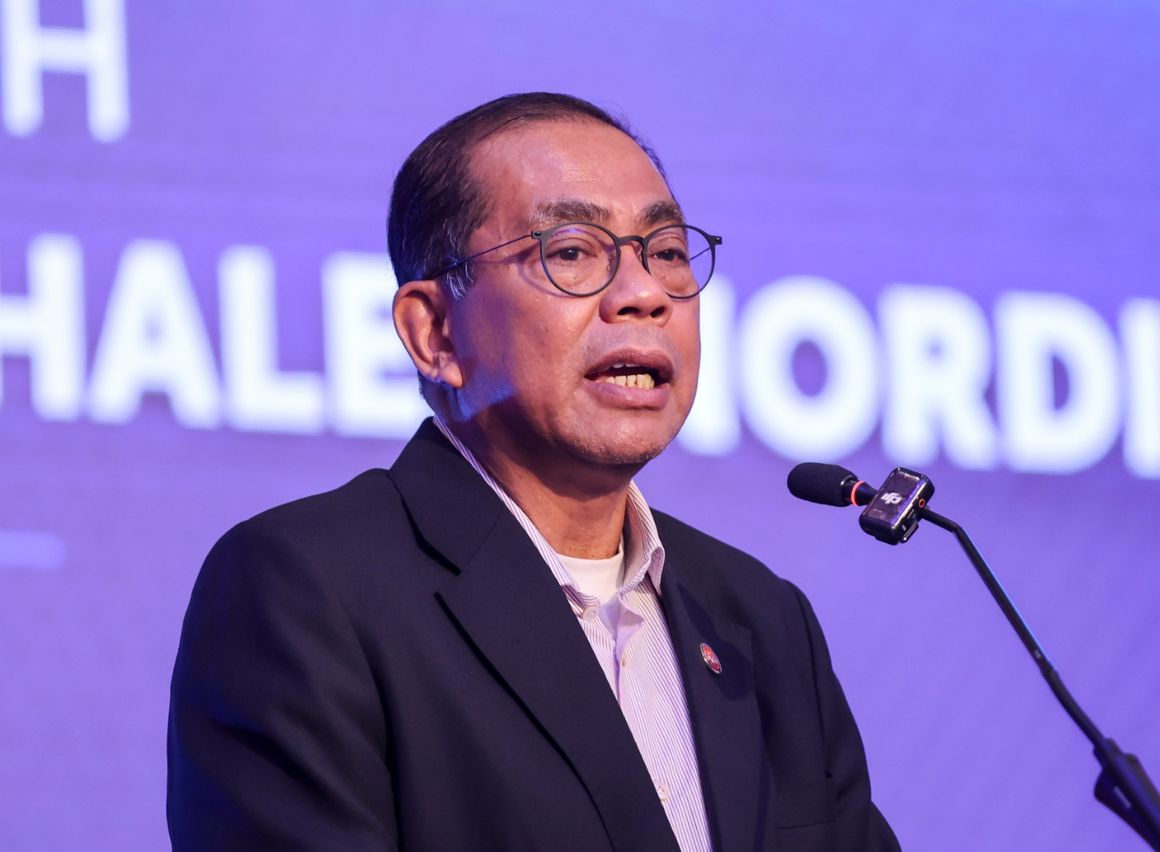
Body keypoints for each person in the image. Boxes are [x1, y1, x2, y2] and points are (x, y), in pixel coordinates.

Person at [167, 92, 900, 852]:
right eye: (572, 252)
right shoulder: (308, 589)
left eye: (667, 252)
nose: (645, 295)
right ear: (434, 331)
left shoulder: (761, 621)